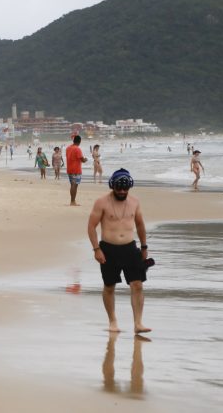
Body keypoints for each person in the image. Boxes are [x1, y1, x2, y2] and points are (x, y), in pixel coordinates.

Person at [87, 169, 151, 334]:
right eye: (119, 189)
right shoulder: (101, 202)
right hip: (108, 249)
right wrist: (96, 249)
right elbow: (91, 227)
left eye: (125, 189)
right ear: (112, 186)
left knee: (137, 284)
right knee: (109, 286)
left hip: (130, 248)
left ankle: (138, 323)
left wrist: (144, 247)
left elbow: (140, 225)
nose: (122, 192)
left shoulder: (134, 202)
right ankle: (113, 321)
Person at [66, 135, 88, 206]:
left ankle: (72, 201)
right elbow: (82, 159)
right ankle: (72, 201)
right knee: (74, 185)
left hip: (69, 168)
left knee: (72, 185)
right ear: (79, 141)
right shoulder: (77, 149)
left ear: (73, 140)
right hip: (76, 169)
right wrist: (85, 159)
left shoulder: (68, 148)